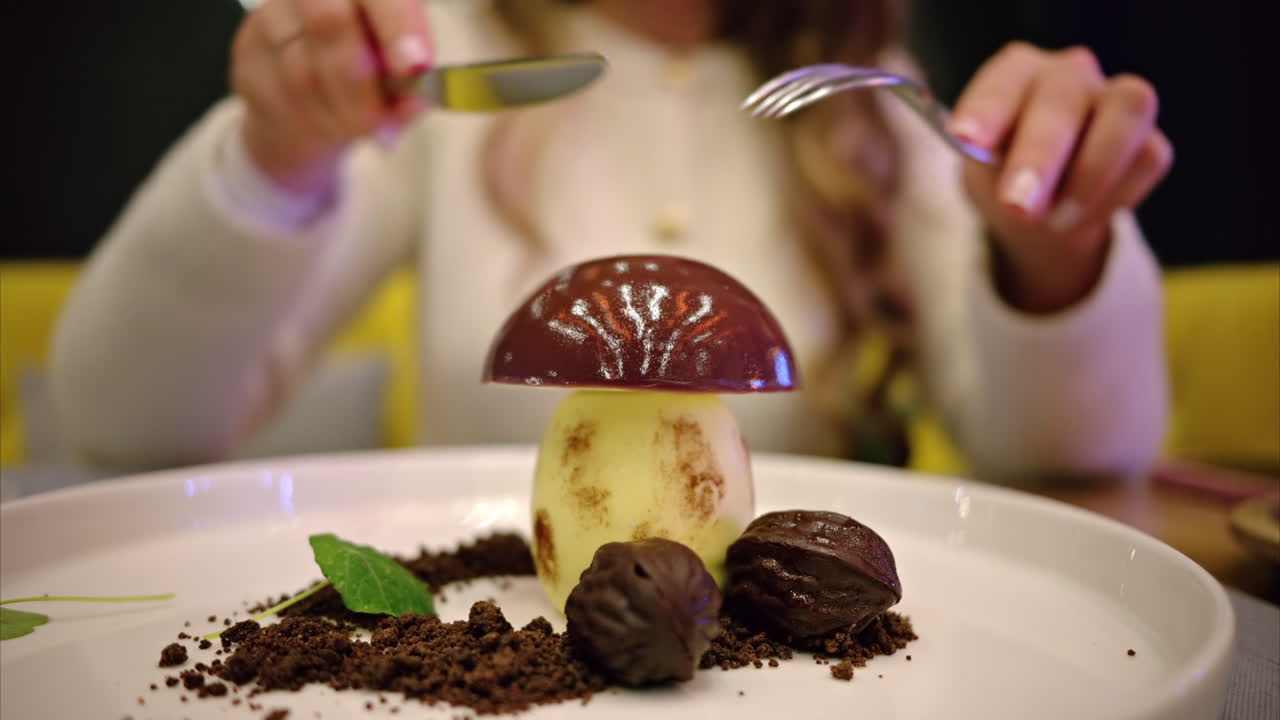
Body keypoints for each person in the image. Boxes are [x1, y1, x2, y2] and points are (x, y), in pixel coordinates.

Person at [49, 0, 1172, 480]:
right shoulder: (445, 58)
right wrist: (278, 151)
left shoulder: (870, 102)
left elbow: (1067, 461)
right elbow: (121, 418)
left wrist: (1054, 247)